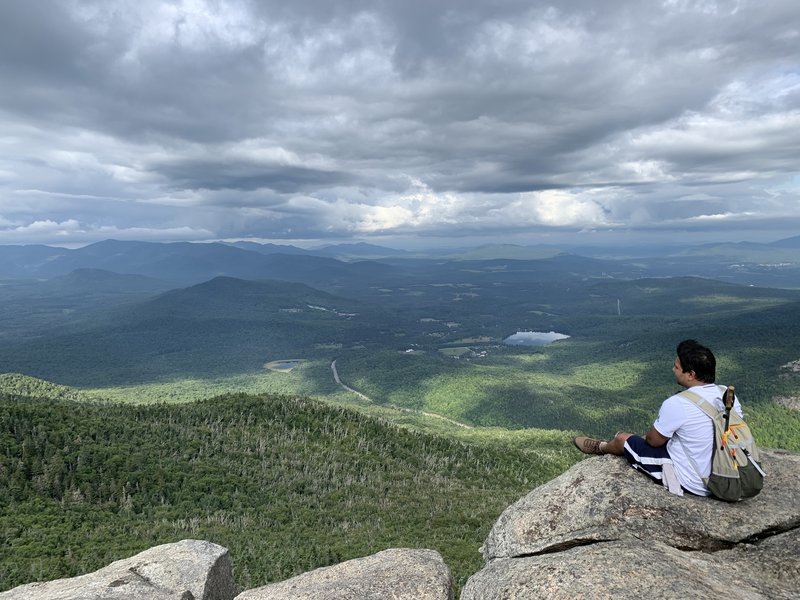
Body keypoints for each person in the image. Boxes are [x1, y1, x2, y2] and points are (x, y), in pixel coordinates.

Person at [573, 339, 742, 496]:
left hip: (695, 481)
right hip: (726, 475)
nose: (673, 370)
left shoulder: (679, 402)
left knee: (623, 439)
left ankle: (602, 447)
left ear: (690, 374)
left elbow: (653, 441)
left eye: (676, 367)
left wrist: (642, 438)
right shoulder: (726, 395)